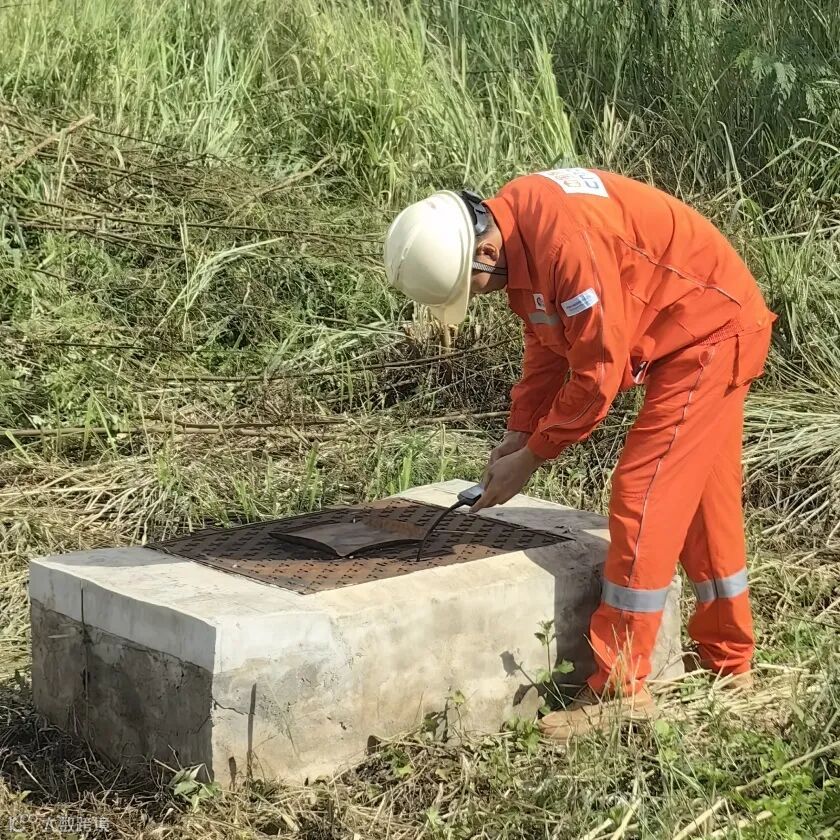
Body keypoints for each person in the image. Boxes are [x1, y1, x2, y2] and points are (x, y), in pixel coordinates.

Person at [383, 168, 775, 742]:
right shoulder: (519, 236)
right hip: (695, 328)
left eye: (477, 287)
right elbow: (548, 345)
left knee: (644, 493)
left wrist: (533, 457)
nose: (484, 297)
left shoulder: (564, 244)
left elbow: (597, 376)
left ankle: (620, 692)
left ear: (484, 251)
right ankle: (730, 661)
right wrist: (519, 431)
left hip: (710, 333)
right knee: (702, 503)